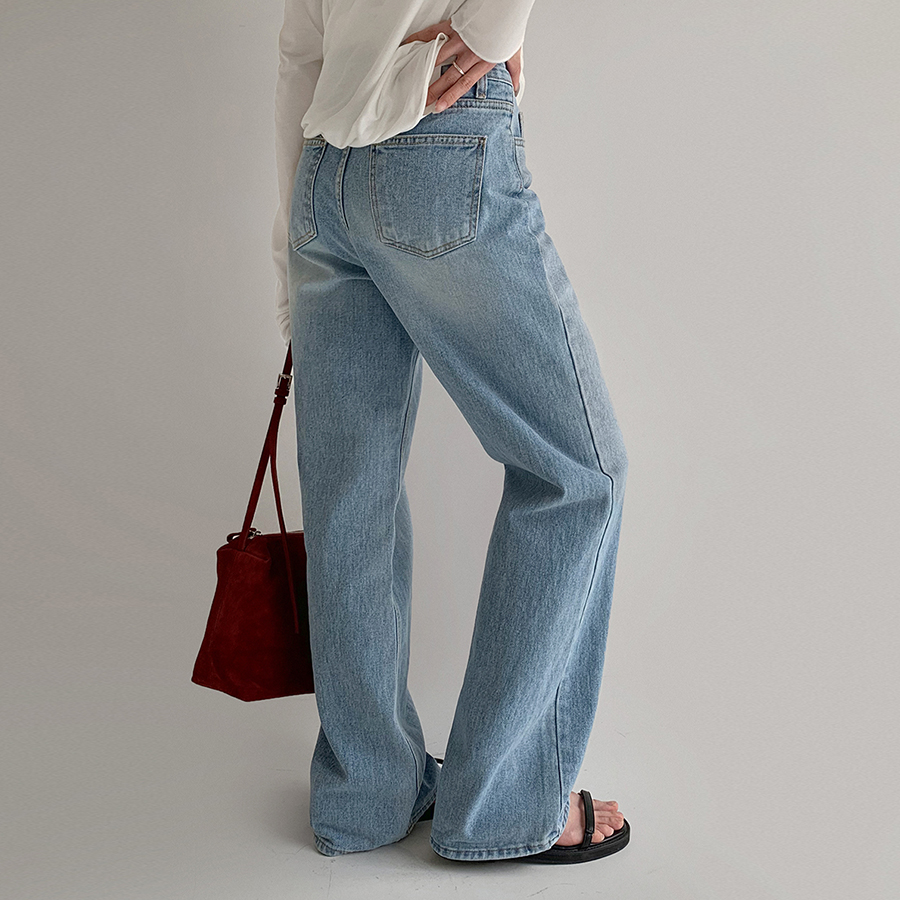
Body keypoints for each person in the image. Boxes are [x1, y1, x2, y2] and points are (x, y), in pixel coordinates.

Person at [270, 0, 630, 864]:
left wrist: (292, 257)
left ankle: (365, 795)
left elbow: (299, 50)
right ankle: (502, 807)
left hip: (321, 174)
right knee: (578, 473)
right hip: (437, 138)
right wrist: (495, 29)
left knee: (350, 495)